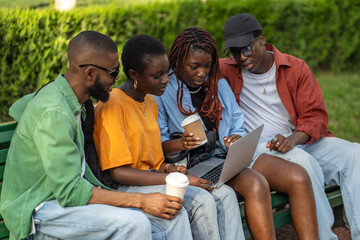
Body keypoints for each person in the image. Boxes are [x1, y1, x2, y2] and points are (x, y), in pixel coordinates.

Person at [0, 31, 193, 240]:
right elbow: (70, 192)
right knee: (133, 224)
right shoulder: (54, 113)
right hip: (41, 208)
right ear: (90, 73)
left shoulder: (78, 102)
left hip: (72, 197)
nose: (118, 77)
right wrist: (141, 201)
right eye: (113, 71)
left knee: (172, 214)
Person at [154, 27, 319, 240]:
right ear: (177, 61)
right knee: (256, 184)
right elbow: (158, 143)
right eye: (194, 67)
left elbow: (237, 124)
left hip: (229, 157)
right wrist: (181, 144)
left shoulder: (218, 84)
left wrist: (236, 138)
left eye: (207, 66)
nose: (202, 73)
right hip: (193, 166)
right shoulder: (163, 90)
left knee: (298, 176)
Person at [219, 13, 360, 239]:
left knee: (355, 154)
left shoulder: (294, 68)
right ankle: (324, 236)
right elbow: (189, 65)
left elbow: (315, 117)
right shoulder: (226, 69)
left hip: (298, 140)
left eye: (245, 48)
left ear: (261, 39)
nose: (241, 57)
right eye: (234, 52)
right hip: (263, 148)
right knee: (303, 163)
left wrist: (293, 139)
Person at [93, 34, 245, 240]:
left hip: (156, 177)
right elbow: (118, 173)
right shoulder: (112, 105)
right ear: (134, 75)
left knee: (225, 195)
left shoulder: (150, 102)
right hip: (129, 186)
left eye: (166, 72)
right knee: (202, 201)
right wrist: (178, 178)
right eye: (157, 76)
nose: (166, 80)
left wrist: (171, 169)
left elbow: (154, 157)